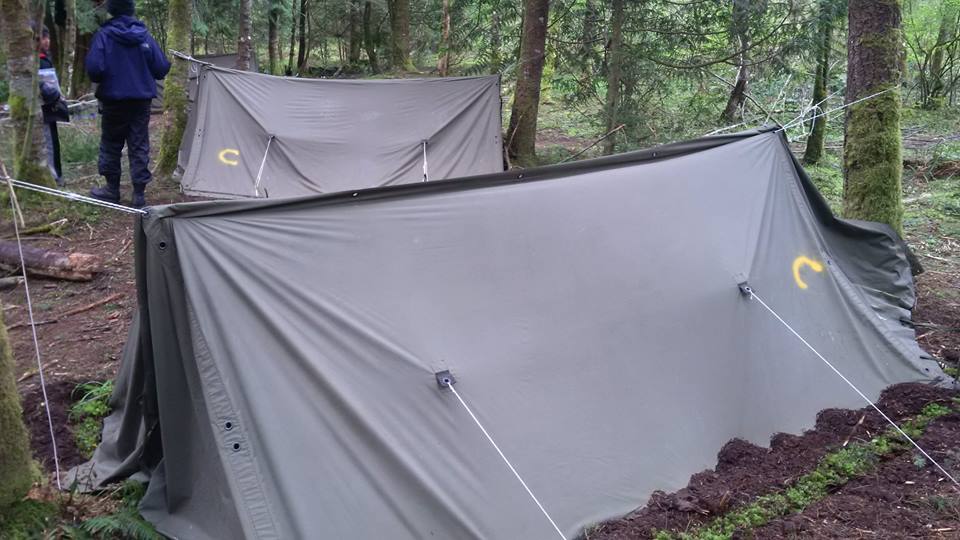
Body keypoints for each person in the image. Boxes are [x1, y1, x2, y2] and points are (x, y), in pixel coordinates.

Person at [86, 0, 170, 208]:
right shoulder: (144, 36)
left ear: (111, 10)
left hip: (113, 100)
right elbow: (161, 68)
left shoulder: (104, 36)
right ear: (131, 10)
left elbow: (94, 70)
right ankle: (138, 194)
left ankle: (111, 189)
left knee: (111, 143)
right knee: (139, 143)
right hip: (141, 101)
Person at [38, 26, 69, 186]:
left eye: (48, 37)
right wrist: (54, 94)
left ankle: (57, 174)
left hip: (50, 107)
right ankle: (54, 177)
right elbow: (40, 85)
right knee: (48, 142)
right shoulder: (35, 61)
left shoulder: (45, 58)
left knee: (53, 141)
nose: (47, 41)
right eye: (43, 38)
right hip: (42, 108)